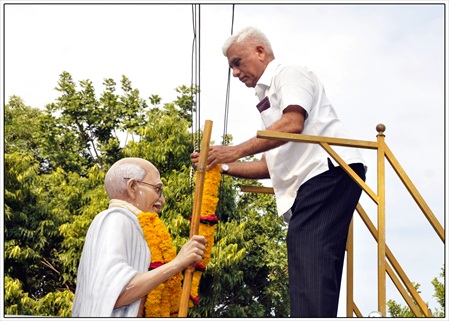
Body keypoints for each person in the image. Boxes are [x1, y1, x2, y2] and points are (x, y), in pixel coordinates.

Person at [191, 26, 366, 317]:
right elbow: (270, 166)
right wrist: (219, 164)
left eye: (237, 62)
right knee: (311, 258)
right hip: (314, 179)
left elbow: (293, 124)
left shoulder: (288, 73)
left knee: (308, 251)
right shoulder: (267, 99)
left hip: (328, 171)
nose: (235, 73)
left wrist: (234, 150)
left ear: (260, 51)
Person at [72, 157, 206, 317]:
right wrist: (177, 263)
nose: (162, 201)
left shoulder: (139, 226)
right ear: (133, 187)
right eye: (158, 189)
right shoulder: (115, 219)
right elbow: (114, 294)